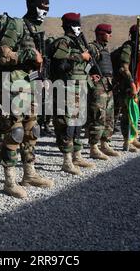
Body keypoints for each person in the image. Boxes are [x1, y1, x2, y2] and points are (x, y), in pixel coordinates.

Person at [0, 0, 54, 199]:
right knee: (15, 133)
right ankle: (9, 181)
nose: (45, 10)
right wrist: (29, 54)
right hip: (13, 87)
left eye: (47, 6)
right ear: (31, 5)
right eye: (42, 6)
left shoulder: (36, 31)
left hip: (31, 88)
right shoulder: (17, 25)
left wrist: (44, 79)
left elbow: (39, 64)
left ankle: (29, 173)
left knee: (32, 132)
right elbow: (3, 55)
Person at [51, 12, 94, 173]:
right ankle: (67, 160)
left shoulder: (78, 44)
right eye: (77, 25)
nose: (79, 28)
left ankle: (77, 155)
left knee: (77, 124)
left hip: (79, 88)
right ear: (70, 26)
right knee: (66, 125)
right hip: (66, 89)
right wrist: (81, 56)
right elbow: (60, 63)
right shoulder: (63, 42)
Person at [87, 24, 120, 160]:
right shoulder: (92, 48)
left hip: (108, 85)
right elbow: (83, 66)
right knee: (97, 116)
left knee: (109, 116)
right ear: (101, 33)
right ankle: (93, 147)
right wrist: (89, 78)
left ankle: (104, 143)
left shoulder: (105, 50)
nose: (110, 35)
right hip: (98, 87)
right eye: (108, 33)